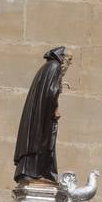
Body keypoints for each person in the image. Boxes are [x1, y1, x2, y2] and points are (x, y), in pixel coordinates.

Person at [14, 46, 72, 184]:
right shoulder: (55, 66)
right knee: (41, 141)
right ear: (62, 57)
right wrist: (55, 107)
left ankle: (33, 171)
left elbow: (48, 89)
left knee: (37, 139)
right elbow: (50, 92)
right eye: (69, 59)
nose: (70, 63)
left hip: (40, 113)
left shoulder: (48, 67)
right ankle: (34, 171)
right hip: (43, 115)